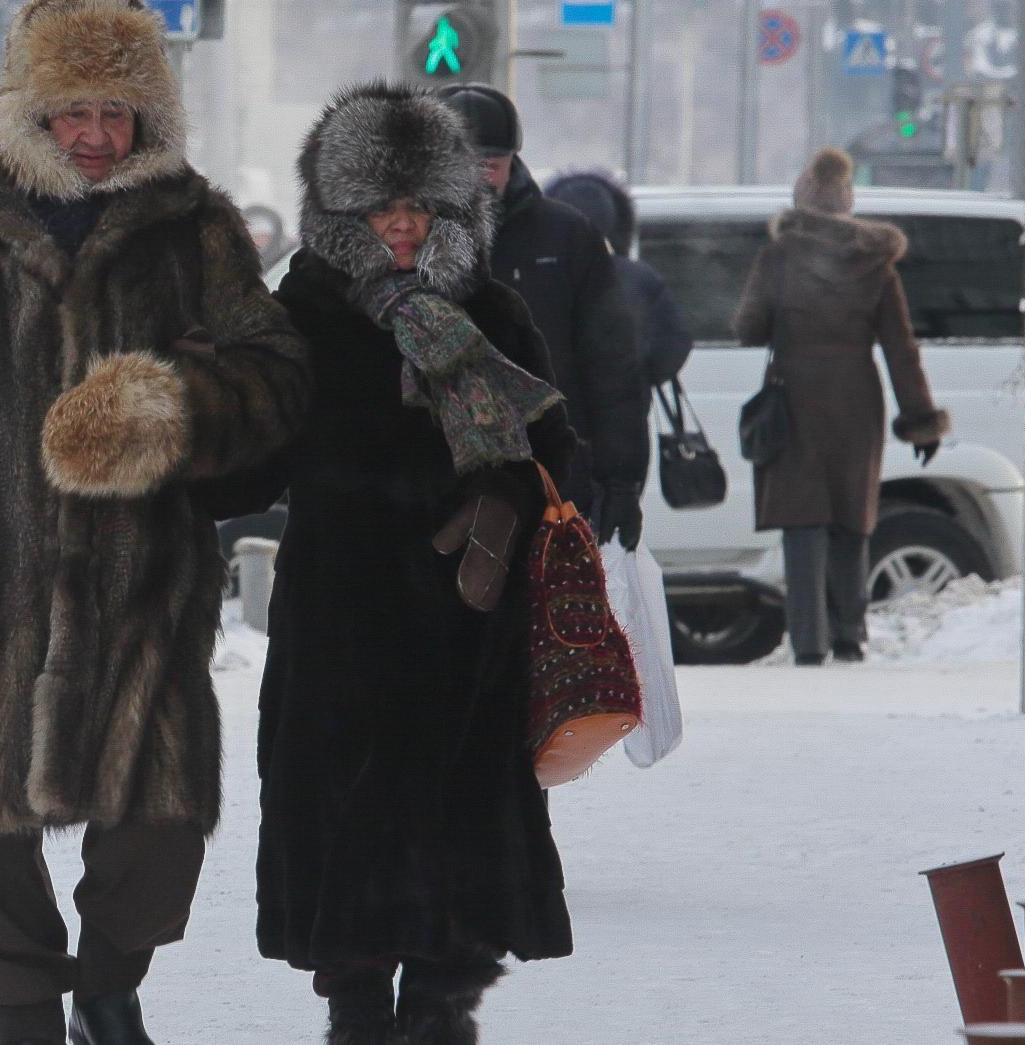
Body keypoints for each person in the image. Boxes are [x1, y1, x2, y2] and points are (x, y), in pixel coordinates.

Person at [0, 1, 310, 1041]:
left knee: (156, 820)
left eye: (118, 111)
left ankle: (107, 983)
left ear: (150, 117)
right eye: (73, 110)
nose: (95, 134)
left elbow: (275, 376)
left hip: (136, 584)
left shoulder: (195, 228)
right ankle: (27, 1021)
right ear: (29, 109)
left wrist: (168, 407)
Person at [199, 82, 576, 1045]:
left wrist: (502, 501)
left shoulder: (490, 307)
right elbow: (254, 462)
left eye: (421, 208)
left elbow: (557, 452)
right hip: (344, 618)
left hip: (466, 627)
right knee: (346, 827)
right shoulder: (304, 315)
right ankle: (359, 1014)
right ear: (343, 214)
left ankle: (444, 1012)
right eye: (383, 209)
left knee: (461, 834)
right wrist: (179, 437)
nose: (404, 228)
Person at [734, 148, 948, 666]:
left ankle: (808, 642)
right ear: (847, 201)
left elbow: (748, 328)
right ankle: (851, 635)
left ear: (805, 199)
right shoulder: (878, 263)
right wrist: (921, 422)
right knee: (853, 516)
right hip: (857, 396)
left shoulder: (779, 255)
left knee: (802, 519)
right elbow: (901, 349)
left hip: (795, 394)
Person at [435, 83, 649, 550]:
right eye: (461, 164)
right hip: (437, 479)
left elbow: (611, 365)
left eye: (489, 164)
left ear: (513, 159)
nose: (476, 178)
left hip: (553, 476)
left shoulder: (567, 237)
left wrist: (622, 481)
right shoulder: (407, 239)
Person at [545, 167, 695, 386]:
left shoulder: (535, 272)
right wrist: (639, 379)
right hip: (625, 408)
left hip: (549, 406)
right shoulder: (639, 278)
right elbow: (672, 343)